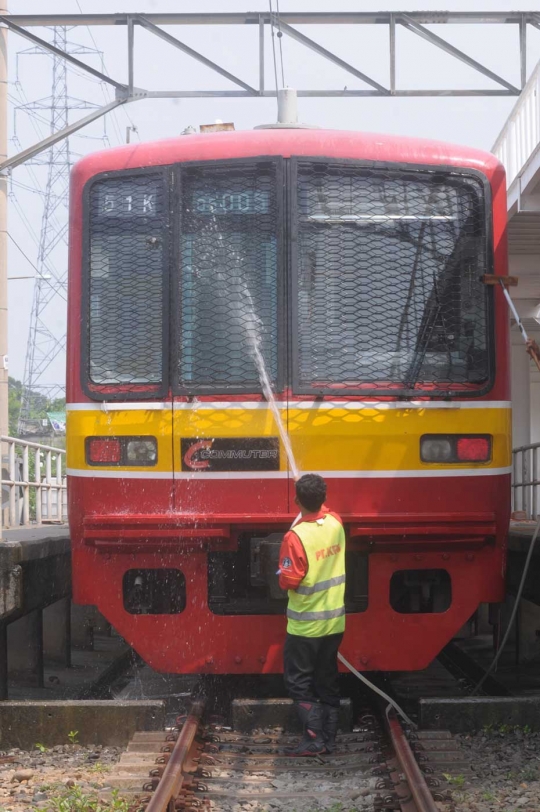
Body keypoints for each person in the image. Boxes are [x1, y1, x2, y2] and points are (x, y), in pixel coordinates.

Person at [278, 473, 346, 756]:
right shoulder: (336, 523)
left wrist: (280, 572)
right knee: (327, 678)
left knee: (299, 682)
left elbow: (289, 581)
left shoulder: (295, 537)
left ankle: (313, 740)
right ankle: (329, 738)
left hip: (305, 627)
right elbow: (326, 512)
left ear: (296, 500)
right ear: (325, 498)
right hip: (334, 623)